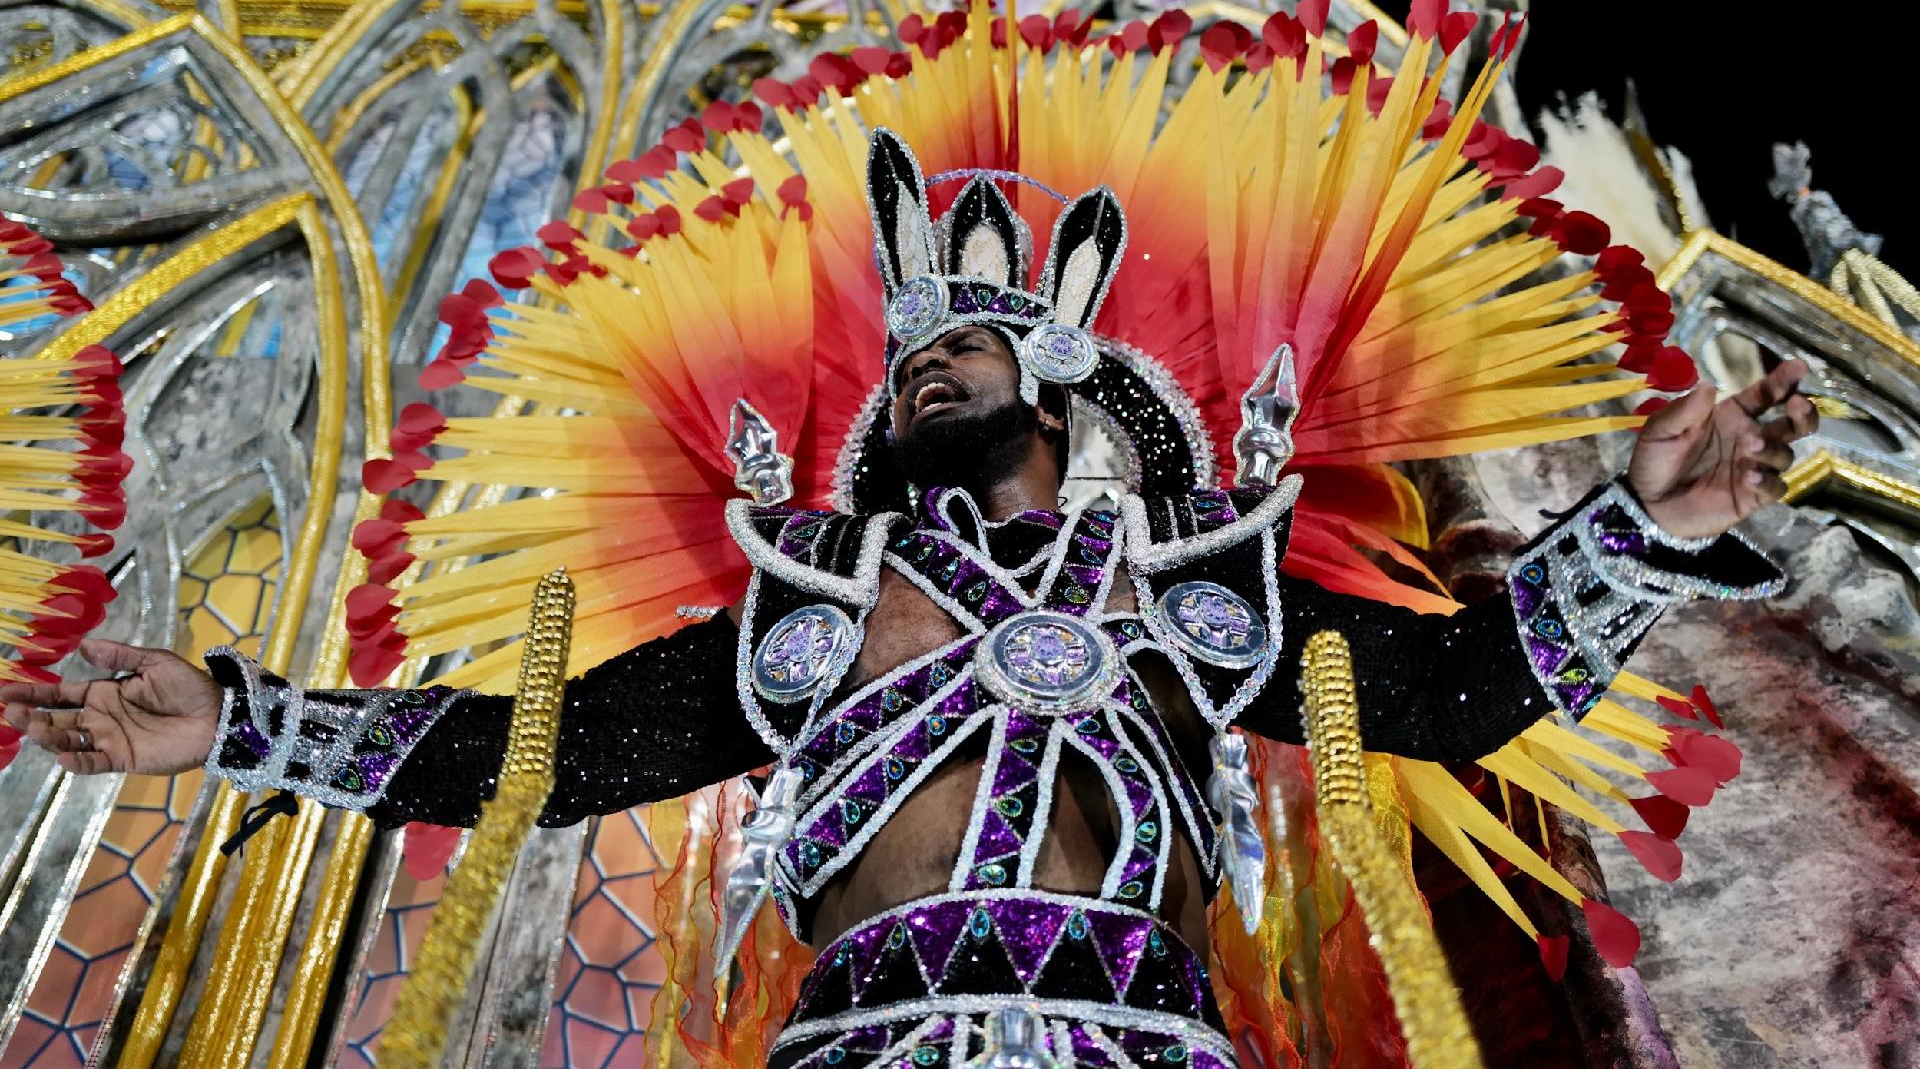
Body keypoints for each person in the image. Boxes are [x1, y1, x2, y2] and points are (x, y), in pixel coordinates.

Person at [2, 127, 1812, 1068]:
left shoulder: (1189, 594)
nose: (928, 366)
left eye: (968, 345)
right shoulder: (817, 614)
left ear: (1055, 383)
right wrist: (240, 720)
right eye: (908, 355)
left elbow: (1463, 692)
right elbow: (528, 756)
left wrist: (1646, 535)